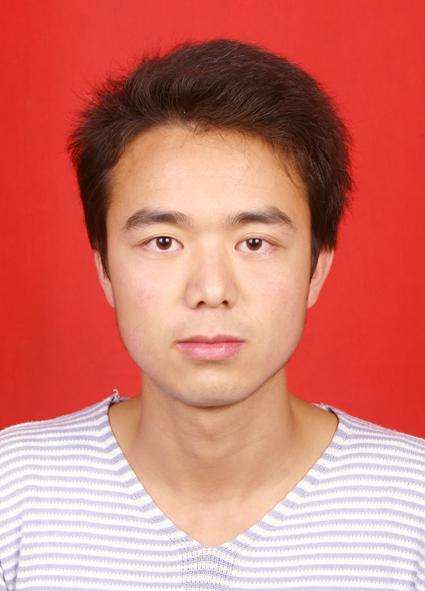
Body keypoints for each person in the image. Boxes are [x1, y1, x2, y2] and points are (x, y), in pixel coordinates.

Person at [1, 38, 424, 591]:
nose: (211, 290)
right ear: (104, 267)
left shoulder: (411, 506)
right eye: (163, 242)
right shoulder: (16, 490)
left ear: (317, 268)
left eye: (254, 243)